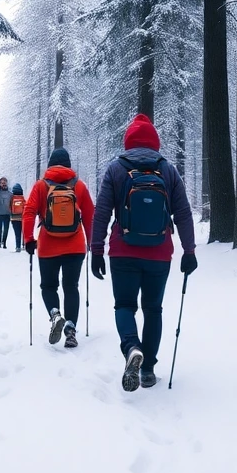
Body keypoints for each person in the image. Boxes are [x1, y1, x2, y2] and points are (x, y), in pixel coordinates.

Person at [91, 114, 196, 391]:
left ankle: (131, 348)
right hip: (159, 253)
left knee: (124, 306)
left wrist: (97, 249)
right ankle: (147, 369)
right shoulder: (168, 169)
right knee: (153, 309)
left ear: (128, 141)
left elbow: (101, 211)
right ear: (154, 142)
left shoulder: (116, 169)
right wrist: (189, 249)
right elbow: (183, 212)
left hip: (122, 251)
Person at [22, 148, 95, 349]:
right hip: (75, 246)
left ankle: (55, 315)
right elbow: (90, 215)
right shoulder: (79, 186)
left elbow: (28, 212)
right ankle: (70, 331)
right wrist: (91, 242)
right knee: (71, 287)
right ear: (69, 165)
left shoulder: (41, 186)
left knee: (48, 286)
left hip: (48, 246)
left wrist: (28, 239)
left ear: (50, 164)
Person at [10, 183, 26, 252]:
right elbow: (25, 207)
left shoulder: (12, 198)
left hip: (14, 218)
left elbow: (9, 207)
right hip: (22, 218)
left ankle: (18, 247)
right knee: (23, 232)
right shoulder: (22, 198)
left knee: (17, 233)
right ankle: (24, 245)